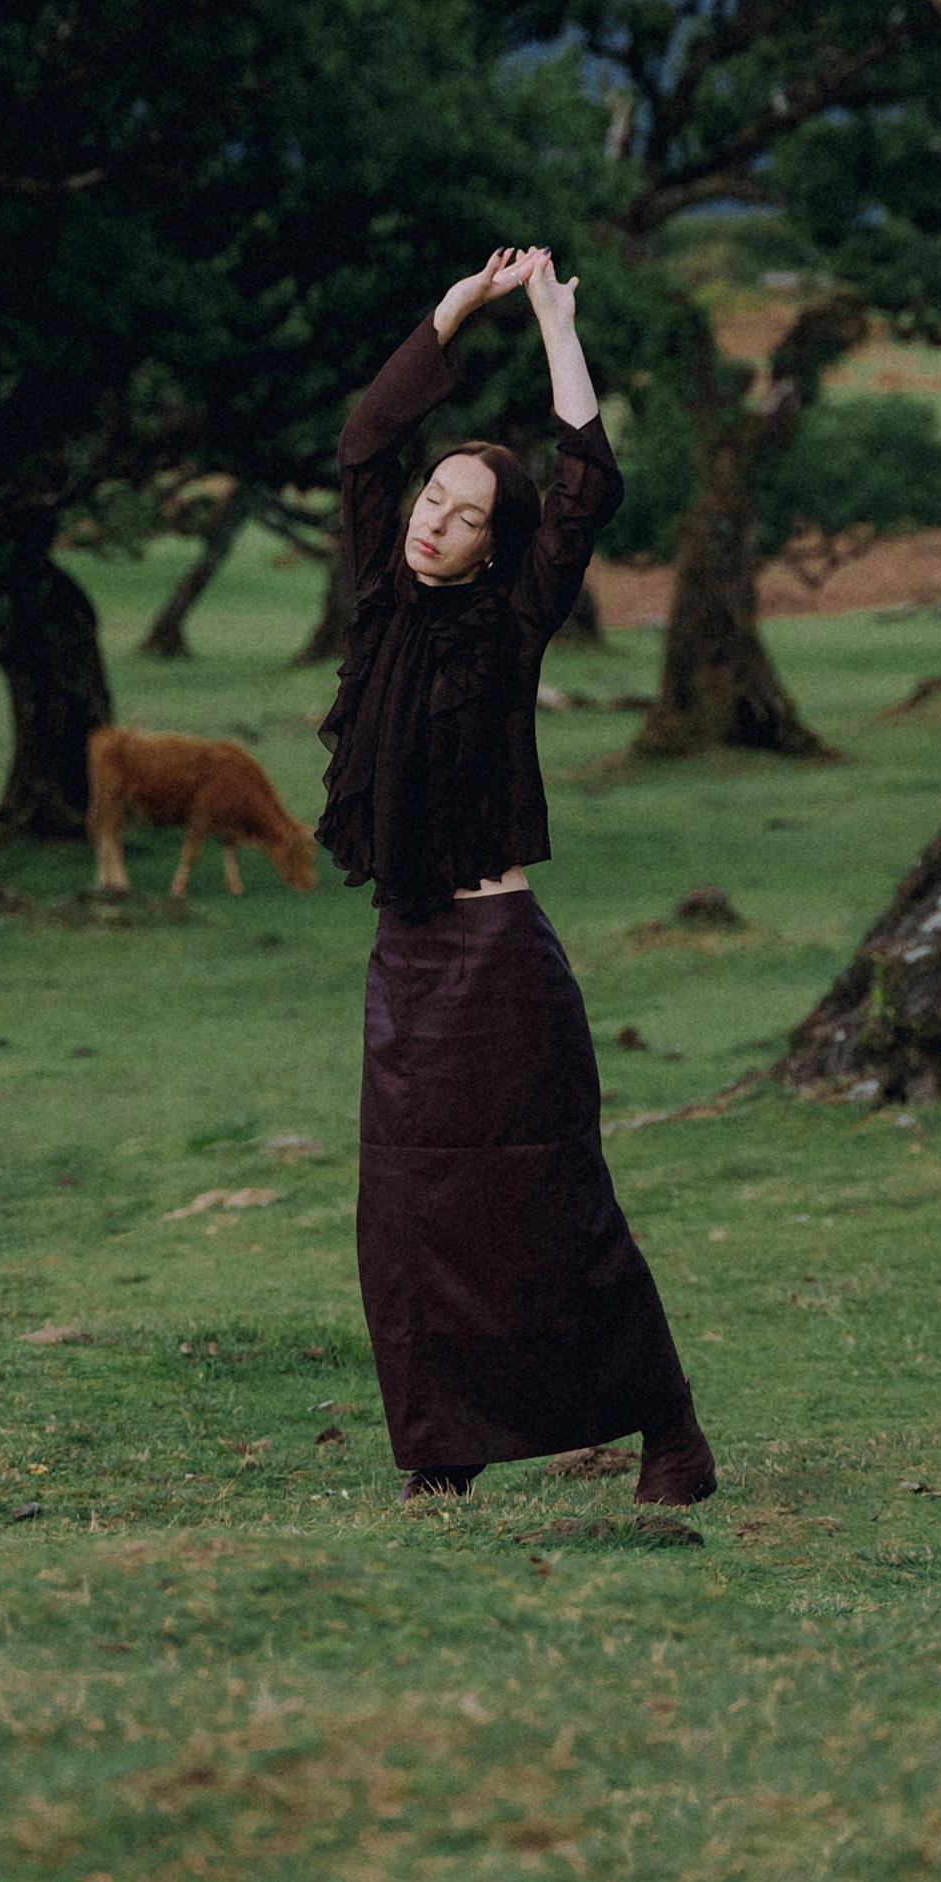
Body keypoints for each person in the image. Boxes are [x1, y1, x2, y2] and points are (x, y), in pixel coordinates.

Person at [316, 246, 717, 1511]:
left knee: (549, 1210)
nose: (433, 517)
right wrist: (458, 308)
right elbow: (363, 439)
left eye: (463, 512)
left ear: (497, 547)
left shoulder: (511, 619)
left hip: (497, 965)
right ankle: (440, 1455)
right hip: (405, 956)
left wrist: (552, 322)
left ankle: (669, 1432)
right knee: (410, 1216)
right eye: (431, 499)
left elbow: (589, 480)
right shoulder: (381, 595)